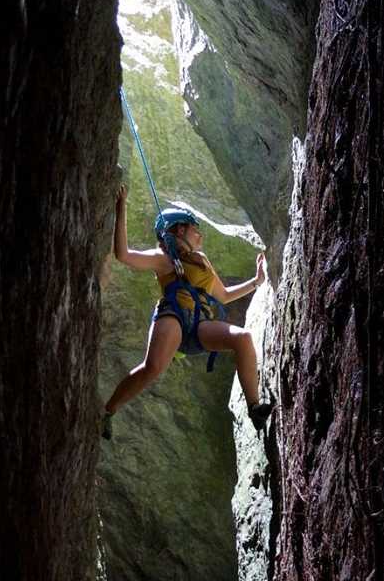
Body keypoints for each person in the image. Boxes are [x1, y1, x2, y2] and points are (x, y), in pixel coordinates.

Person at [102, 183, 273, 439]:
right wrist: (121, 206)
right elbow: (124, 255)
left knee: (243, 338)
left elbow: (223, 296)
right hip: (172, 316)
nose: (199, 235)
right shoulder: (164, 259)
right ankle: (108, 410)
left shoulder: (201, 260)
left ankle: (255, 408)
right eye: (195, 229)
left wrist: (256, 281)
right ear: (179, 229)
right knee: (153, 368)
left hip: (198, 323)